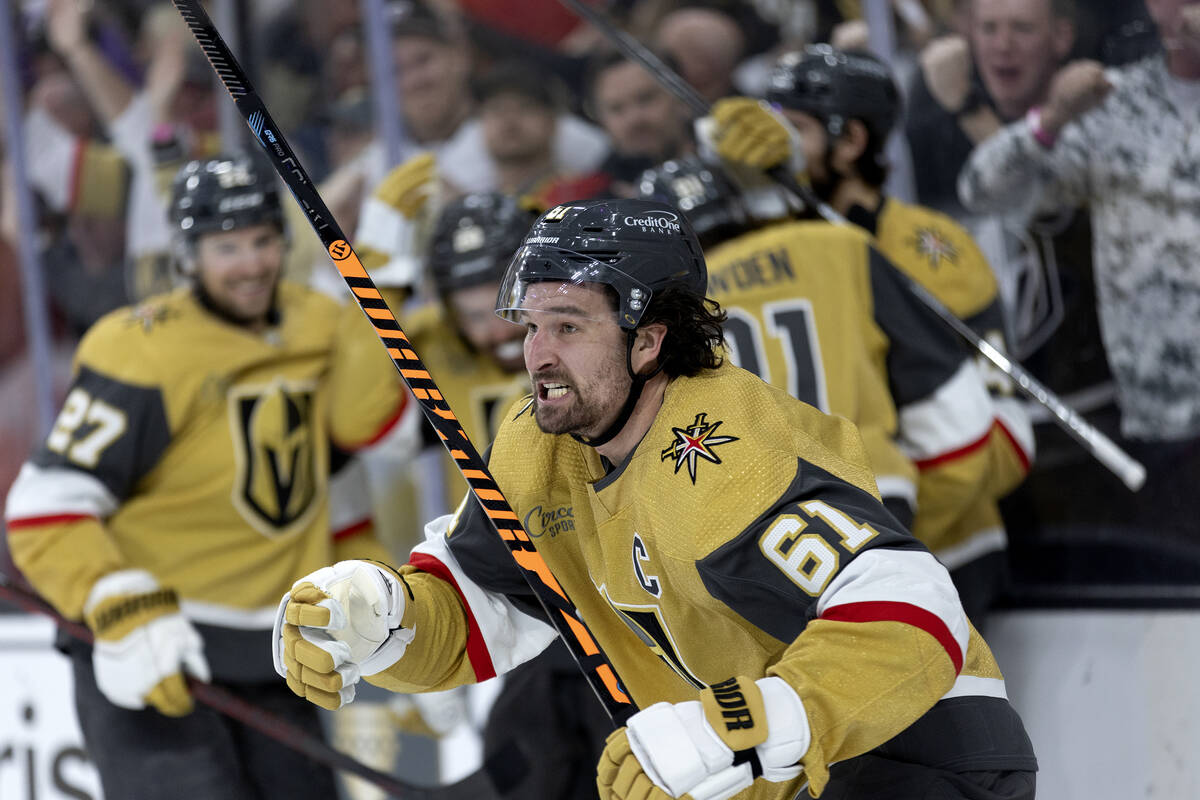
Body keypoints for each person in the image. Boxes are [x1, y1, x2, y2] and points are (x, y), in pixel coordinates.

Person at [273, 198, 1037, 800]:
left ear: (648, 341)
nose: (537, 353)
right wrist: (381, 618)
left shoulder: (719, 448)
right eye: (533, 324)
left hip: (916, 748)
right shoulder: (538, 450)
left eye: (568, 326)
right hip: (775, 775)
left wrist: (745, 722)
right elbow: (483, 612)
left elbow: (915, 606)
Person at [3, 155, 417, 800]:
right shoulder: (141, 349)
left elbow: (352, 450)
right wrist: (116, 601)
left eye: (262, 241)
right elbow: (46, 506)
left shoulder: (316, 324)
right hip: (155, 646)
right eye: (226, 247)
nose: (251, 264)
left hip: (276, 651)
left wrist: (384, 279)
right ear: (187, 256)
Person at [705, 46, 1033, 625]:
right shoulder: (771, 247)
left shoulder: (927, 248)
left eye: (794, 129)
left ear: (851, 141)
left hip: (941, 547)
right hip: (812, 554)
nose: (773, 145)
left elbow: (1003, 433)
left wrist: (888, 528)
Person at [638, 155, 1009, 626]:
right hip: (889, 509)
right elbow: (958, 423)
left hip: (746, 547)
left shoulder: (653, 325)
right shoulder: (841, 248)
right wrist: (903, 532)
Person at [957, 0, 1200, 534]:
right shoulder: (1114, 102)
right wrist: (1053, 118)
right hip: (1158, 414)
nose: (1182, 11)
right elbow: (984, 190)